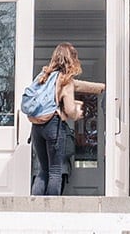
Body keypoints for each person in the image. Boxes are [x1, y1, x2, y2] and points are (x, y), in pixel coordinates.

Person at [23, 42, 103, 196]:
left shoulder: (43, 76)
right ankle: (53, 211)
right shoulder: (66, 80)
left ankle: (33, 210)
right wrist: (77, 113)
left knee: (43, 170)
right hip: (53, 125)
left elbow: (77, 85)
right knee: (55, 170)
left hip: (37, 127)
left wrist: (102, 87)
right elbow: (69, 109)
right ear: (71, 60)